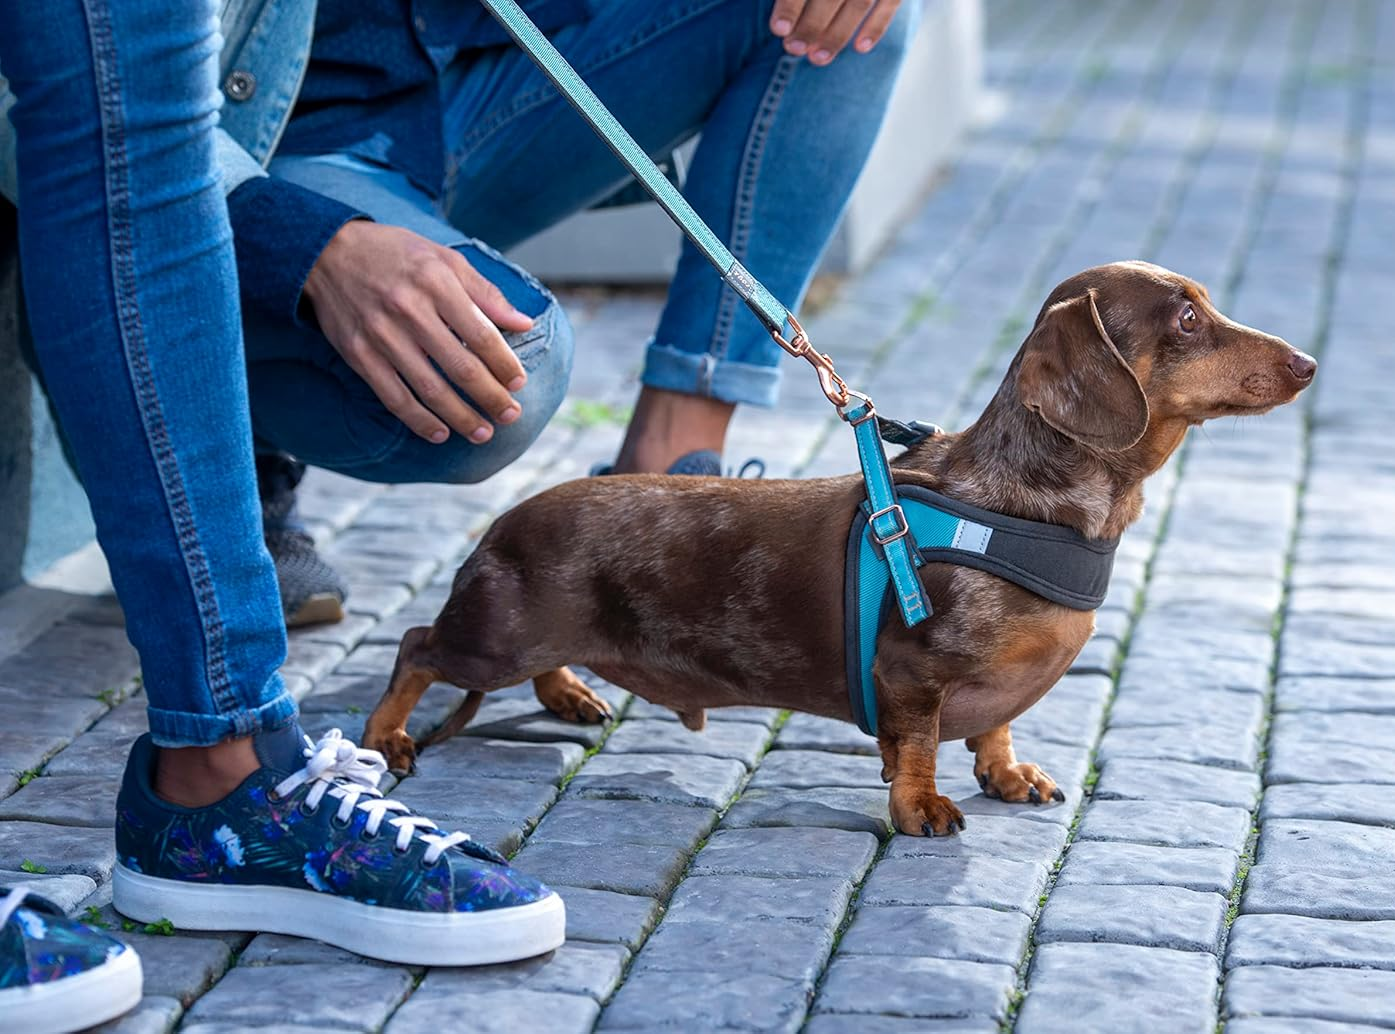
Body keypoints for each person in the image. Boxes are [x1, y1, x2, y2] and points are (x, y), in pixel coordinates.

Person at [0, 0, 912, 1028]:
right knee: (505, 361)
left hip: (440, 93)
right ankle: (226, 736)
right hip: (260, 137)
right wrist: (309, 241)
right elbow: (97, 105)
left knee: (850, 13)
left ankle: (665, 484)